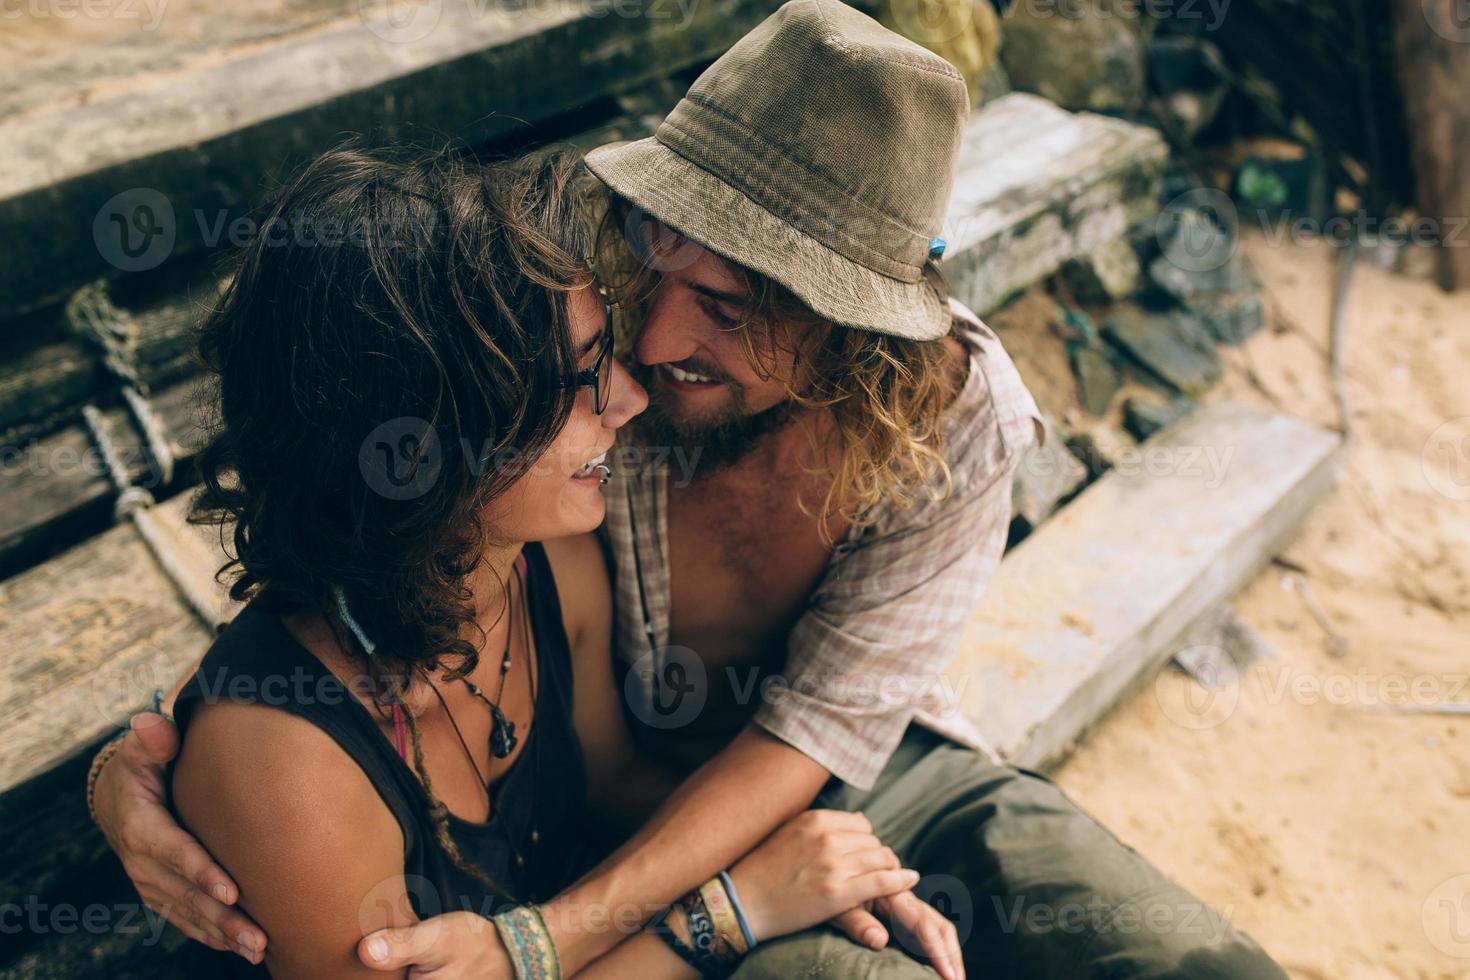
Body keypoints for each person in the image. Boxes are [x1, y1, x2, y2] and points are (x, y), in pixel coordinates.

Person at [94, 2, 1289, 977]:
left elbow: (804, 738)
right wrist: (159, 752)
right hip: (630, 840)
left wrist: (598, 929)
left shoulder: (957, 419)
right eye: (660, 257)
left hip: (846, 772)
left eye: (729, 309)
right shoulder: (559, 323)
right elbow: (376, 540)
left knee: (1183, 956)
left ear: (851, 331)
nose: (649, 349)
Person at [131, 144, 937, 978]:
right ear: (425, 442)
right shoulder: (287, 767)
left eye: (608, 356)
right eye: (574, 381)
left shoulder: (546, 567)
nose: (630, 397)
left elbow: (611, 779)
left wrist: (812, 863)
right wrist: (724, 915)